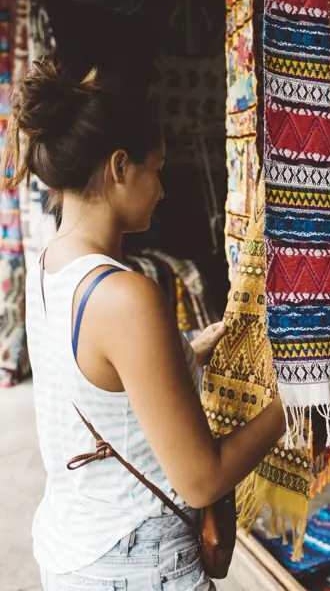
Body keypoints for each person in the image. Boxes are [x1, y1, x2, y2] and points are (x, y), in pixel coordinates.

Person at [6, 60, 287, 591]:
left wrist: (185, 351)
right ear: (118, 167)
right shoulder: (127, 296)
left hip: (74, 552)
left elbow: (93, 373)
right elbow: (202, 480)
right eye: (156, 169)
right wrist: (291, 406)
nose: (161, 190)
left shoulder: (50, 266)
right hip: (136, 563)